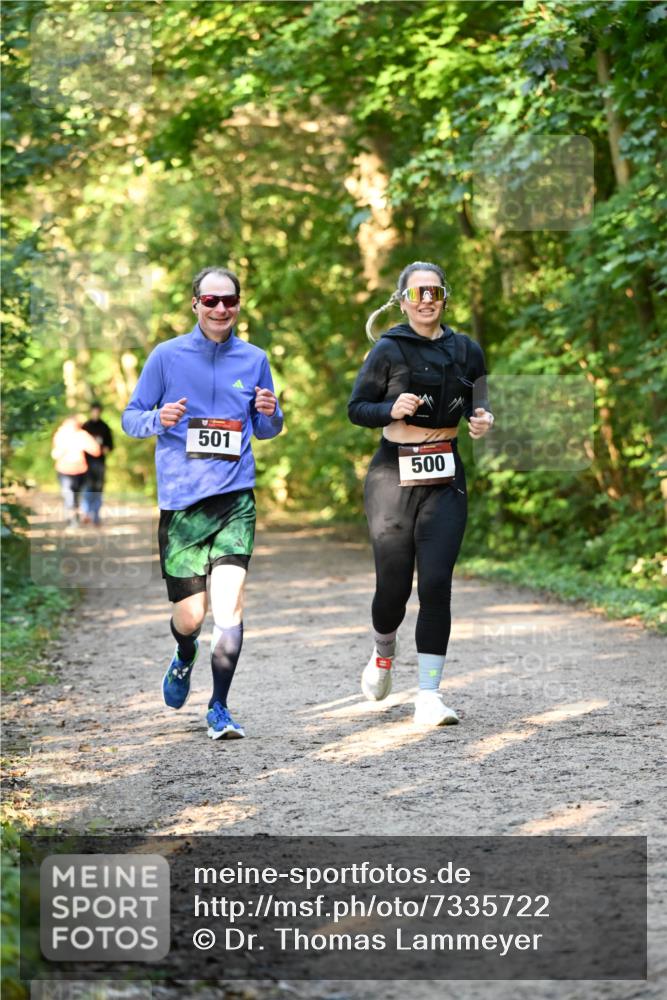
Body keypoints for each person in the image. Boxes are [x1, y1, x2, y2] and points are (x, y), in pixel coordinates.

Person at [122, 266, 283, 740]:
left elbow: (268, 428)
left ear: (238, 305)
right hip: (182, 503)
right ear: (195, 304)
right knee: (191, 616)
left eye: (228, 301)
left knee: (229, 607)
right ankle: (185, 652)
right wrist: (158, 418)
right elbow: (131, 418)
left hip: (235, 498)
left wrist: (271, 413)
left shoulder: (254, 358)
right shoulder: (166, 357)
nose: (220, 309)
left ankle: (219, 707)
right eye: (210, 301)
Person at [348, 261, 494, 727]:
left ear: (444, 297)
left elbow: (482, 400)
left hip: (445, 476)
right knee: (393, 588)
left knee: (435, 584)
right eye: (417, 293)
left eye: (434, 291)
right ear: (403, 301)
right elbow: (357, 408)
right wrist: (390, 407)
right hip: (392, 475)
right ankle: (383, 654)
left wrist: (483, 419)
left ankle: (429, 695)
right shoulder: (389, 350)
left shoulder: (467, 350)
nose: (426, 299)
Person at [51, 415, 102, 528]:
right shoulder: (61, 435)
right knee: (69, 496)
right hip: (64, 470)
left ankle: (75, 517)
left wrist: (85, 445)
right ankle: (72, 520)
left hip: (80, 471)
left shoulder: (82, 435)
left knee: (77, 496)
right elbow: (55, 454)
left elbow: (96, 451)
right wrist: (65, 448)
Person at [81, 401, 114, 525]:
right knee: (87, 488)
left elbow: (110, 446)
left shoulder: (105, 427)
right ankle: (86, 513)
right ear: (91, 411)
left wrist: (105, 449)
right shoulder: (85, 427)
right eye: (94, 410)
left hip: (100, 463)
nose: (96, 413)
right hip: (86, 464)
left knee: (98, 489)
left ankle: (96, 516)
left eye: (98, 411)